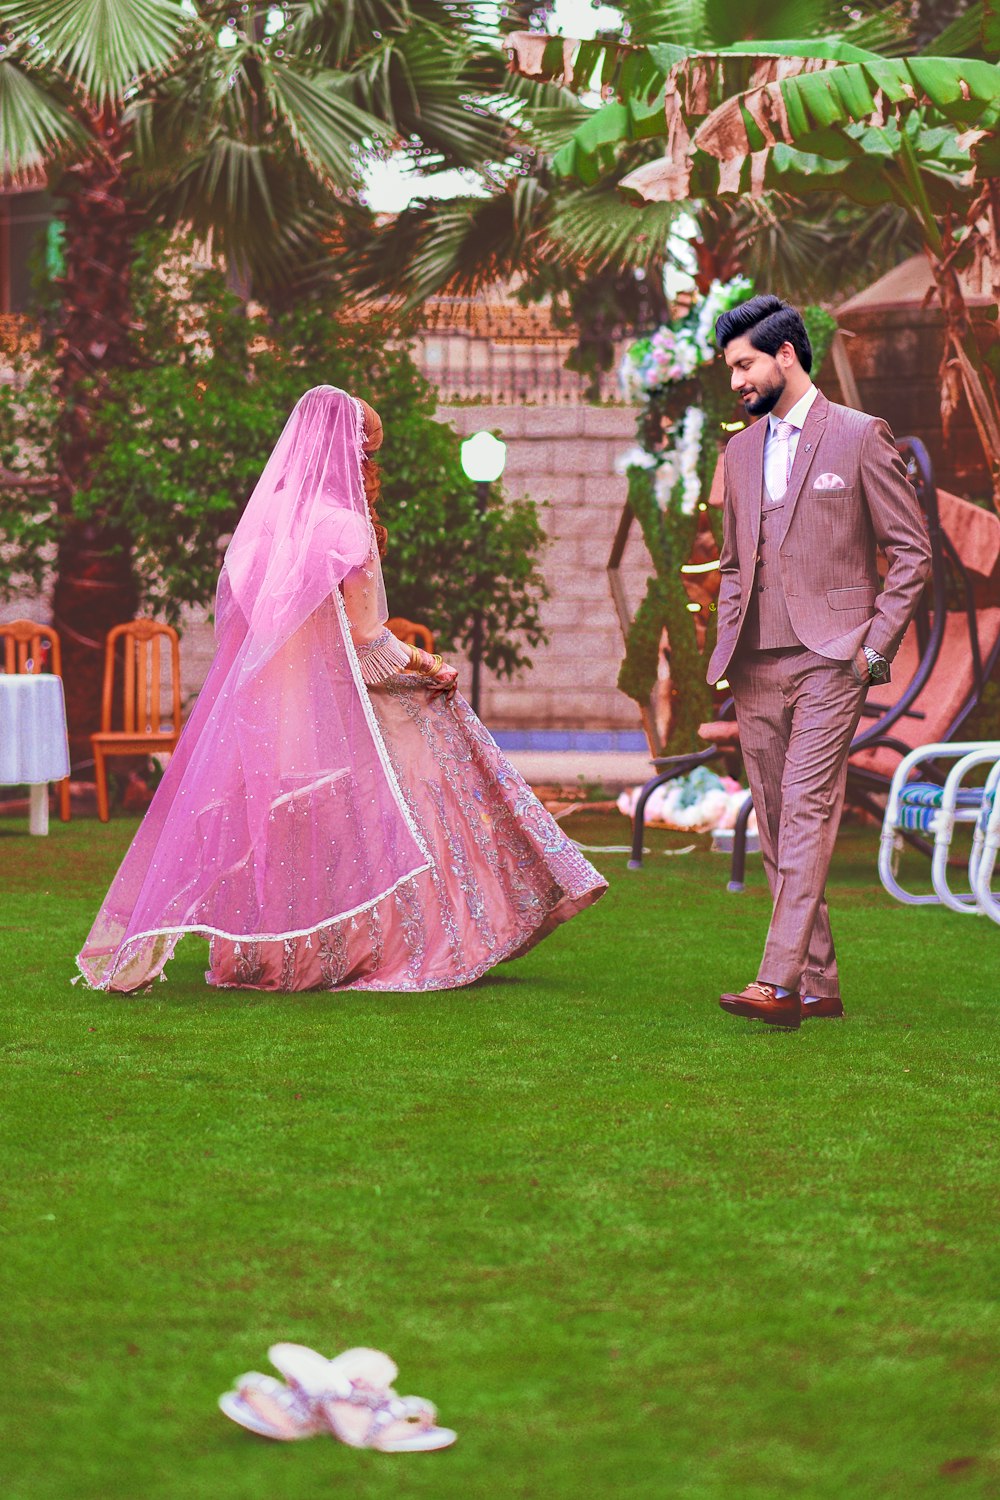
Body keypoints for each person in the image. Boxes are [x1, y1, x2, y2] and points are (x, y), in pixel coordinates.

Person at [77, 386, 606, 993]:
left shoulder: (262, 523)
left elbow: (250, 627)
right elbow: (365, 638)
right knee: (417, 793)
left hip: (263, 708)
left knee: (285, 833)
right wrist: (431, 665)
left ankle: (268, 959)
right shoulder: (344, 526)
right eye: (368, 450)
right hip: (337, 702)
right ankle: (396, 942)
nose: (369, 463)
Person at [709, 295, 931, 1030]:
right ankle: (821, 981)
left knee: (804, 809)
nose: (735, 379)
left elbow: (911, 553)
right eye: (729, 367)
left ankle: (778, 984)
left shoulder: (860, 436)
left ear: (785, 356)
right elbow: (736, 565)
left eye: (743, 364)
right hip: (754, 662)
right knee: (774, 820)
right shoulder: (738, 452)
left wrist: (876, 646)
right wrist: (726, 641)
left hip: (833, 657)